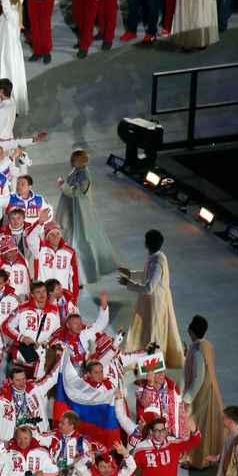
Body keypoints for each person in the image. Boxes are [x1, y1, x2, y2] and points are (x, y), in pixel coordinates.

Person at [118, 229, 183, 369]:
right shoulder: (155, 257)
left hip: (155, 303)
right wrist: (130, 274)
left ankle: (152, 370)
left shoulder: (158, 262)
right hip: (149, 302)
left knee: (153, 334)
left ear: (148, 243)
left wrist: (128, 284)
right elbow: (147, 275)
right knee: (147, 332)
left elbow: (149, 287)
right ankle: (146, 366)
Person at [55, 148, 115, 285]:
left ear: (83, 162)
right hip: (73, 211)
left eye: (74, 160)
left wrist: (62, 184)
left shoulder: (85, 177)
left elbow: (73, 192)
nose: (71, 162)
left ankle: (80, 276)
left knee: (81, 242)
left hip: (81, 214)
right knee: (73, 239)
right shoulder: (76, 171)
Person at [180, 315, 224, 469]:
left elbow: (198, 377)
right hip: (207, 393)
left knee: (197, 425)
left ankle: (198, 461)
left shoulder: (198, 351)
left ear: (191, 330)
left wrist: (186, 399)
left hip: (200, 396)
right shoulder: (206, 345)